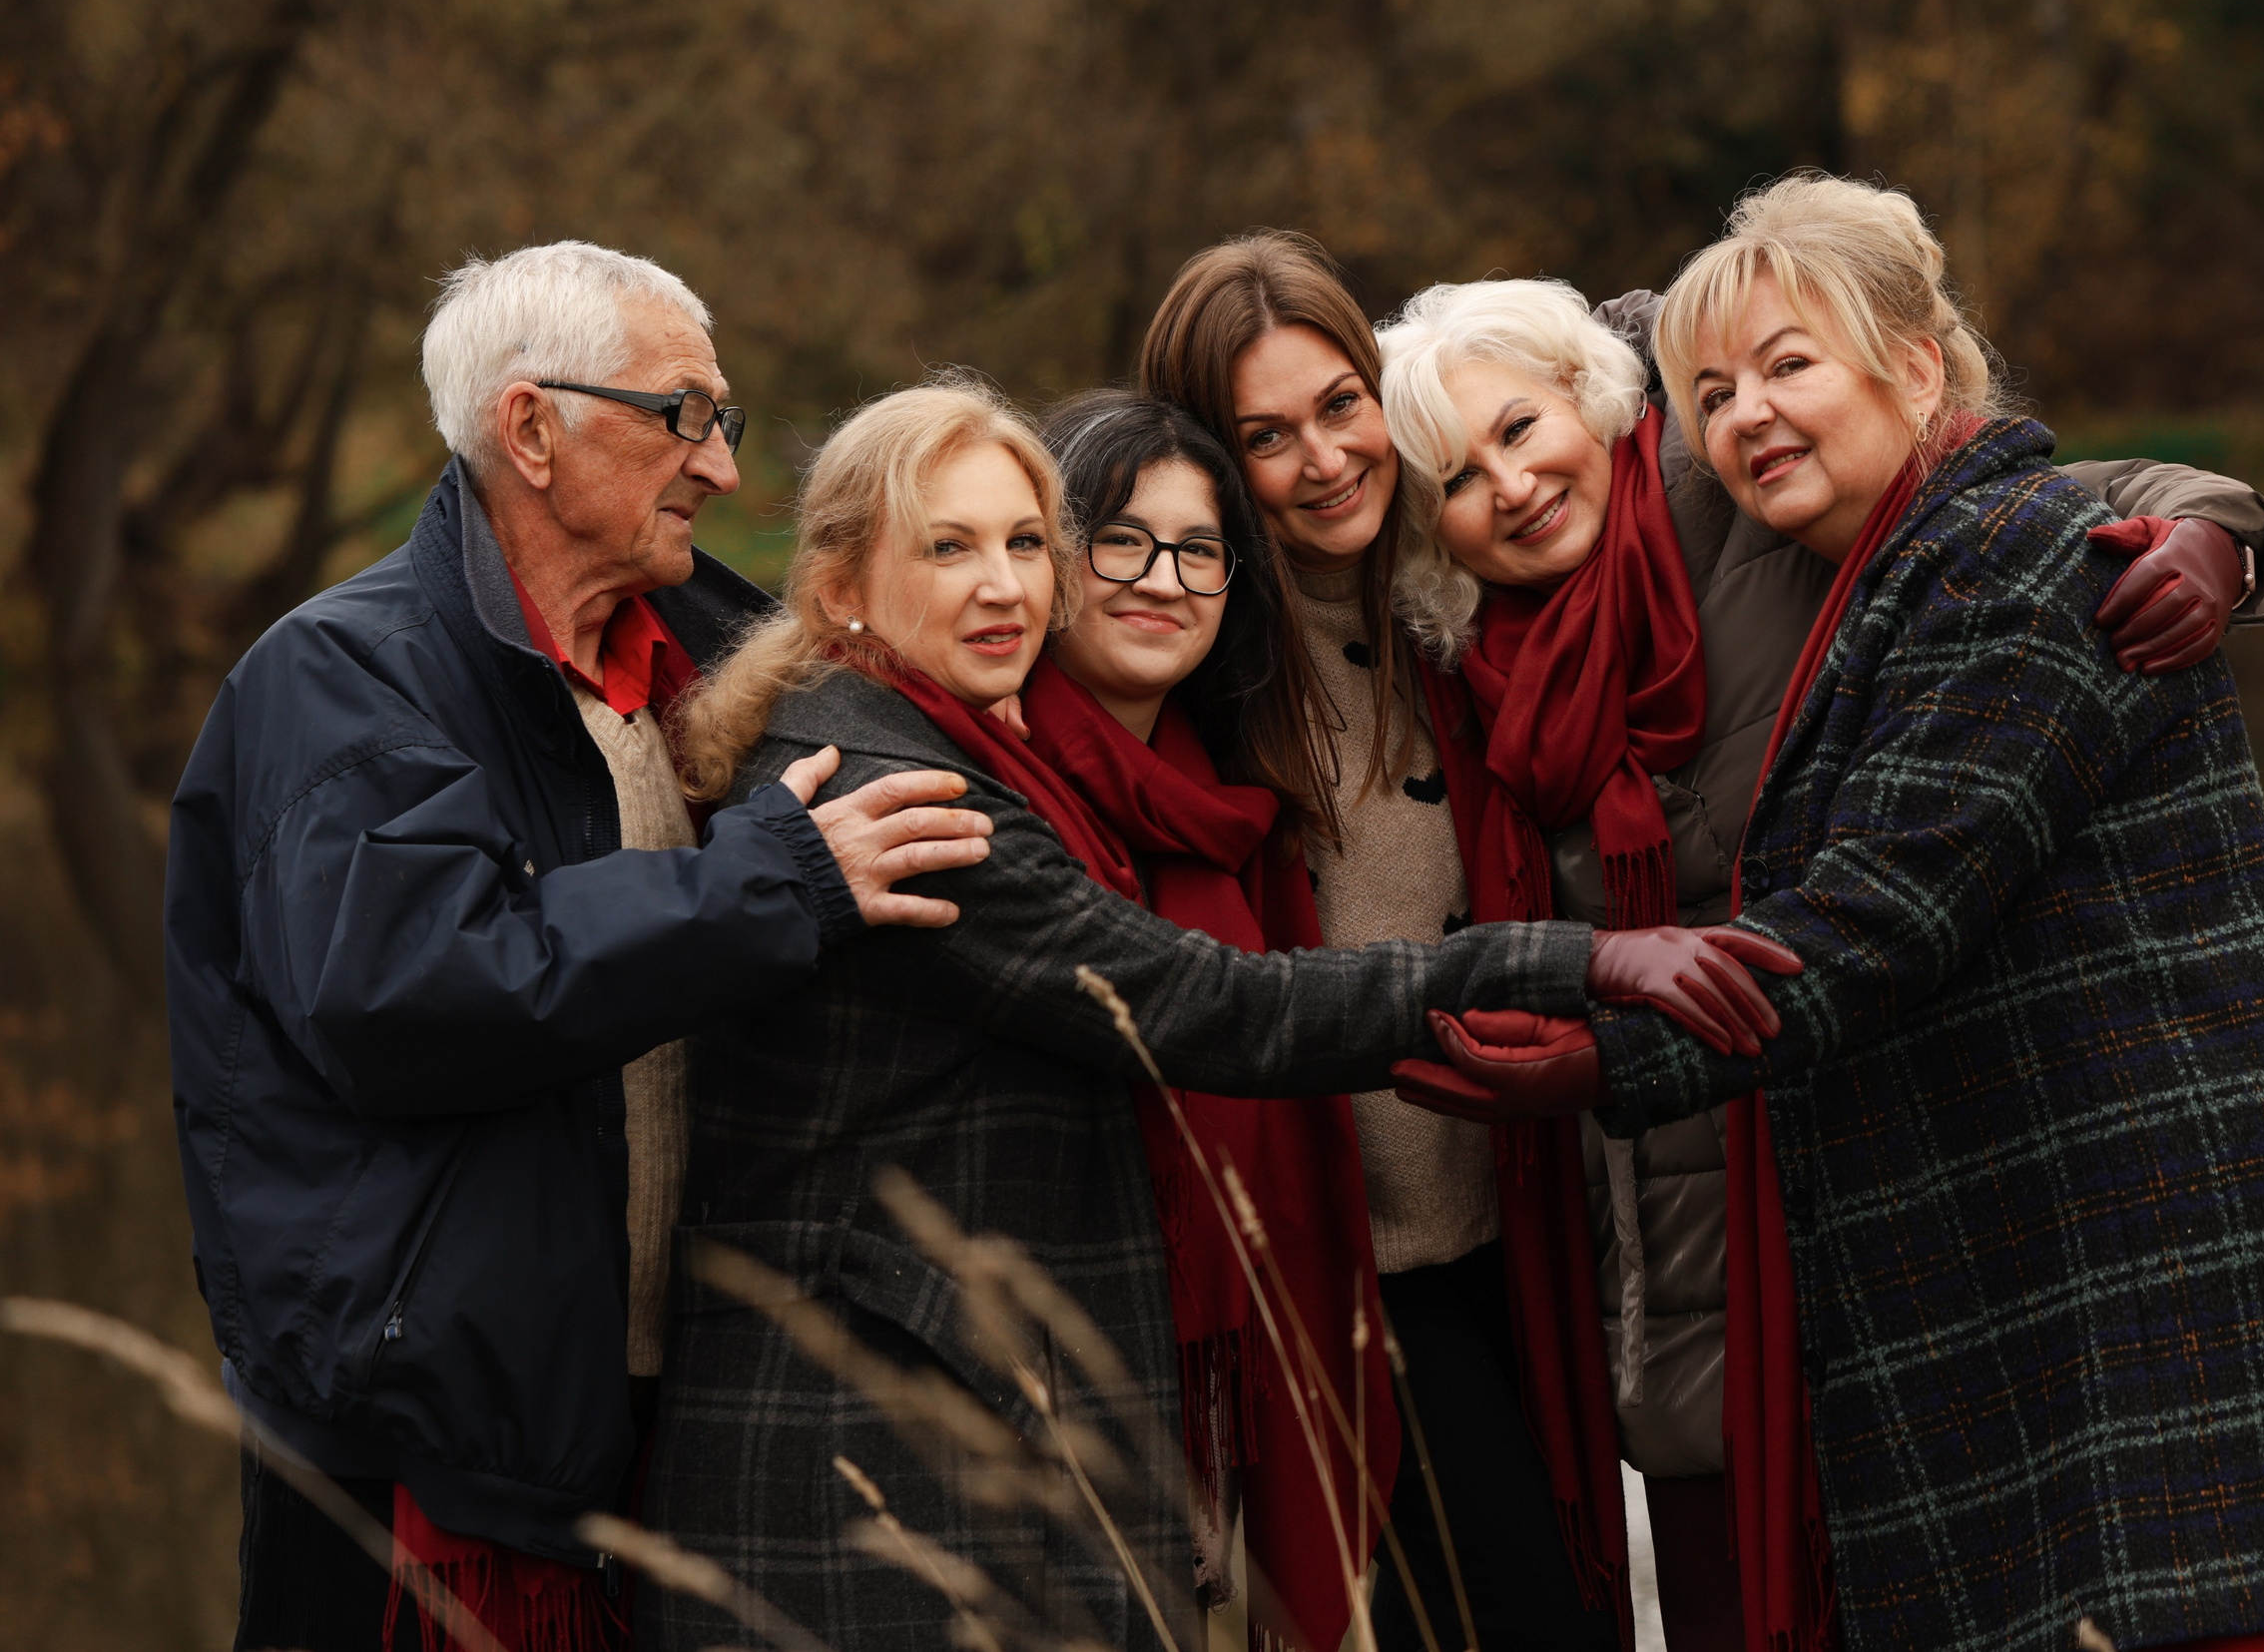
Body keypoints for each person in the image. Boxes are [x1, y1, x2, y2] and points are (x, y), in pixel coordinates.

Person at [1138, 230, 2264, 1652]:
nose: (1503, 483)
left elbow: (1983, 496)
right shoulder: (1436, 635)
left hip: (1832, 1160)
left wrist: (2213, 520)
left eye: (1343, 409)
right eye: (1268, 436)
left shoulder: (1722, 499)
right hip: (1575, 1218)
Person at [1401, 175, 2264, 1652]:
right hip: (1971, 1225)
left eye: (1789, 366)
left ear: (1916, 368)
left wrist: (1599, 1057)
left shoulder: (2006, 560)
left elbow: (1878, 917)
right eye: (1716, 394)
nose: (1748, 413)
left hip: (2155, 1239)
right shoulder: (1860, 573)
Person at [641, 376, 1767, 1651]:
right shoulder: (904, 792)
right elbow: (1207, 1000)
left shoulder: (922, 734)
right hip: (869, 1447)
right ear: (843, 583)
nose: (1003, 587)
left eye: (1024, 543)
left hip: (918, 1412)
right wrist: (1571, 961)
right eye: (948, 548)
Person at [164, 242, 1000, 1652]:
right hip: (425, 1462)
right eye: (683, 415)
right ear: (532, 429)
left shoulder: (720, 661)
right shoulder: (345, 678)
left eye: (721, 421)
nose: (720, 466)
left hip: (688, 1416)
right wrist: (772, 882)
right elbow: (411, 992)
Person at [1030, 388, 1399, 1648]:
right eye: (1121, 541)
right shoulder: (999, 781)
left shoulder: (1235, 802)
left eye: (1199, 550)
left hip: (1225, 1379)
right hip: (1060, 1382)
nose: (1163, 580)